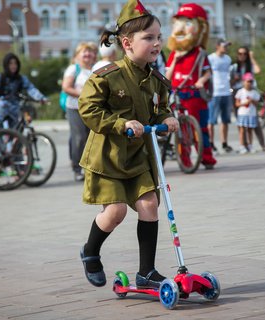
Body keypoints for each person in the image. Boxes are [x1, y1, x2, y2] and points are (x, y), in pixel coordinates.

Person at [78, 0, 179, 289]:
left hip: (139, 157)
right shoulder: (106, 77)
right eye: (148, 38)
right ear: (127, 43)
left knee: (149, 205)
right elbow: (89, 109)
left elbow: (159, 109)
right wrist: (121, 124)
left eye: (159, 37)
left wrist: (168, 118)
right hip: (108, 157)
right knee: (116, 212)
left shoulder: (157, 80)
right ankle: (90, 252)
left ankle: (146, 272)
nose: (157, 43)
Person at [165, 3, 217, 168]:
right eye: (178, 23)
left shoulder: (200, 53)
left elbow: (208, 72)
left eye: (188, 23)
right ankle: (185, 161)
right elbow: (167, 76)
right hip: (177, 96)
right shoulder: (173, 53)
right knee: (181, 132)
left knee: (201, 129)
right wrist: (175, 59)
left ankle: (206, 158)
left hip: (195, 96)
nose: (180, 29)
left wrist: (201, 80)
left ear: (200, 28)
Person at [62, 42, 98, 181]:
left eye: (90, 52)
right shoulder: (73, 69)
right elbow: (66, 87)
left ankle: (90, 168)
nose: (88, 54)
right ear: (77, 55)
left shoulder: (95, 69)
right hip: (75, 108)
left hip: (92, 109)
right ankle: (77, 169)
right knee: (79, 138)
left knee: (93, 139)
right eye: (84, 52)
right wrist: (84, 95)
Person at [0, 53, 47, 130]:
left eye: (15, 63)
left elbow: (31, 89)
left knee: (17, 130)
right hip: (1, 107)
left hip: (15, 107)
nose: (13, 66)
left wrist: (41, 98)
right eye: (10, 63)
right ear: (6, 65)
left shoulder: (21, 79)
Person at [230, 46, 265, 151]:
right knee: (241, 122)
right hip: (238, 93)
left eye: (244, 54)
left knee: (254, 121)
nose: (242, 56)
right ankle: (244, 144)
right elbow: (229, 82)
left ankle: (262, 144)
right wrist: (234, 79)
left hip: (250, 93)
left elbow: (258, 70)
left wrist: (251, 58)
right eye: (240, 54)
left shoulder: (250, 66)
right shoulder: (234, 67)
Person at [207, 38, 234, 153]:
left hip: (226, 92)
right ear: (217, 46)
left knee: (225, 120)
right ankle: (211, 143)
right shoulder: (211, 58)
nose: (226, 48)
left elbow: (229, 74)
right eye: (224, 45)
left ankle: (224, 143)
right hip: (215, 92)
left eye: (227, 46)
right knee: (211, 120)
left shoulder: (228, 59)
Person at [234, 73, 260, 154]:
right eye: (248, 81)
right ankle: (242, 146)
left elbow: (257, 104)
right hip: (242, 114)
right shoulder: (240, 92)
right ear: (244, 82)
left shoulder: (254, 93)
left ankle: (250, 145)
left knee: (250, 130)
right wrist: (245, 103)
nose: (249, 83)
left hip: (251, 114)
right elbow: (237, 104)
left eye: (251, 81)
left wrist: (252, 101)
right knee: (242, 130)